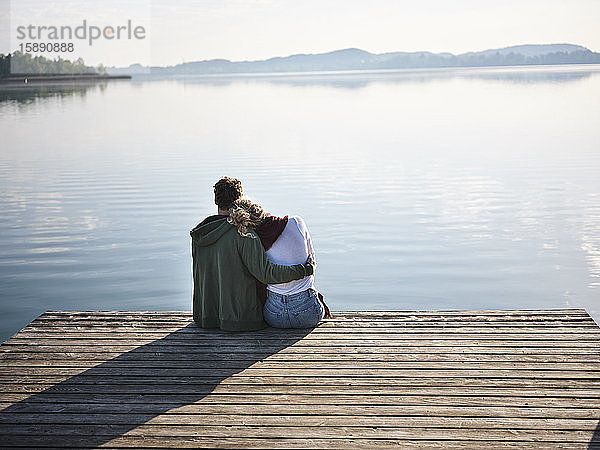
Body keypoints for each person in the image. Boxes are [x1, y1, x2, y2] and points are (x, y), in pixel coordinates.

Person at [190, 177, 314, 331]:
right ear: (239, 200)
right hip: (241, 320)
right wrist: (306, 269)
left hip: (204, 317)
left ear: (216, 201)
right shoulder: (244, 234)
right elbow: (267, 274)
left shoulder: (200, 232)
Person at [228, 197, 330, 329]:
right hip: (308, 312)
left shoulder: (254, 241)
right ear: (259, 208)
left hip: (274, 315)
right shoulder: (296, 222)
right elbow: (312, 262)